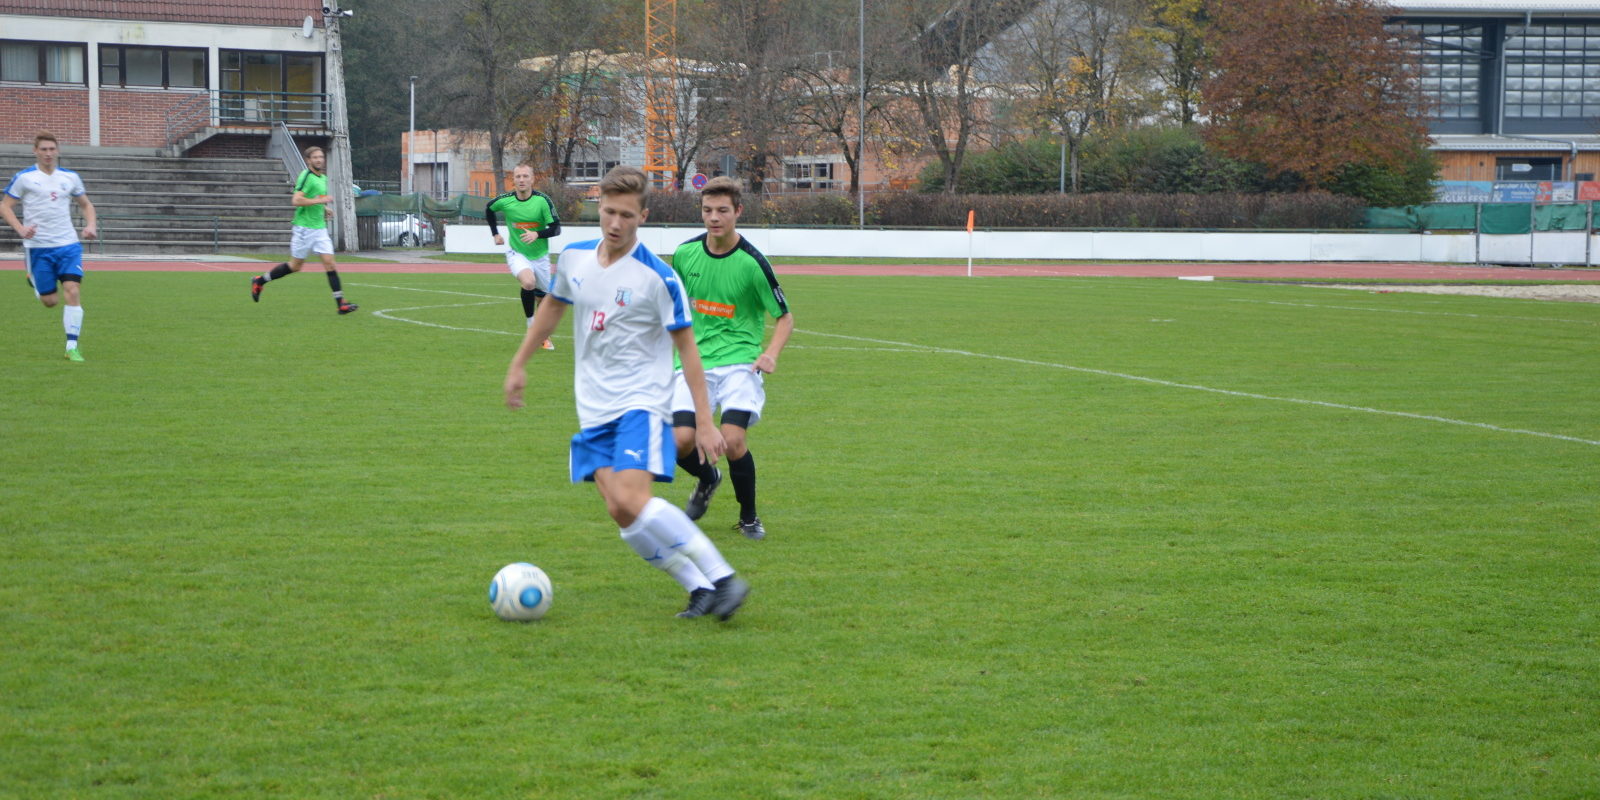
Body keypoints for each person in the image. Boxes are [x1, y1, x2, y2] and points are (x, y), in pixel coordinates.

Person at [504, 166, 750, 621]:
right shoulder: (575, 258)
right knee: (620, 511)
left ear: (643, 216)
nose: (616, 224)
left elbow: (689, 353)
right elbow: (552, 308)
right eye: (609, 212)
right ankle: (698, 588)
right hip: (592, 409)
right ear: (599, 206)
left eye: (627, 216)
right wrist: (519, 363)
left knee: (634, 499)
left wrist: (703, 420)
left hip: (642, 404)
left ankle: (723, 576)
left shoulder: (659, 278)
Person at [670, 177, 793, 540]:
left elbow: (785, 317)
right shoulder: (684, 254)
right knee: (680, 441)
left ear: (738, 212)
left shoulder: (753, 263)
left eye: (722, 211)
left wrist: (770, 353)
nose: (714, 218)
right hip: (693, 362)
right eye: (707, 210)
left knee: (733, 439)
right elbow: (671, 304)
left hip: (740, 362)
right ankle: (708, 479)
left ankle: (749, 517)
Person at [2, 132, 98, 362]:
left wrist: (91, 224)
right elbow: (5, 206)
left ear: (58, 151)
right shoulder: (25, 177)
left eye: (51, 149)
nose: (48, 153)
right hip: (38, 247)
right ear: (35, 151)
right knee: (50, 301)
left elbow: (85, 204)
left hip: (68, 244)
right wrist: (20, 229)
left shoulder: (70, 178)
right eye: (43, 149)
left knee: (73, 291)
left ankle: (72, 346)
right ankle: (34, 278)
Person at [249, 146, 358, 314]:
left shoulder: (322, 178)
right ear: (308, 160)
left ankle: (340, 304)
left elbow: (316, 198)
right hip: (304, 229)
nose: (319, 160)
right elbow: (297, 200)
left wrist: (324, 208)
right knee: (295, 266)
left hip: (319, 229)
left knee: (330, 263)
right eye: (315, 157)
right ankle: (260, 281)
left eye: (321, 157)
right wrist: (317, 202)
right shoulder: (306, 176)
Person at [486, 163, 561, 349]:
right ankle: (531, 327)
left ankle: (542, 335)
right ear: (514, 180)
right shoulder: (505, 200)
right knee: (528, 282)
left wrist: (538, 234)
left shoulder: (543, 201)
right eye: (518, 176)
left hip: (541, 256)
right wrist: (495, 233)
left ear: (532, 179)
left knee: (543, 300)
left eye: (525, 176)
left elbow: (556, 228)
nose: (521, 180)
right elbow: (489, 209)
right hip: (517, 253)